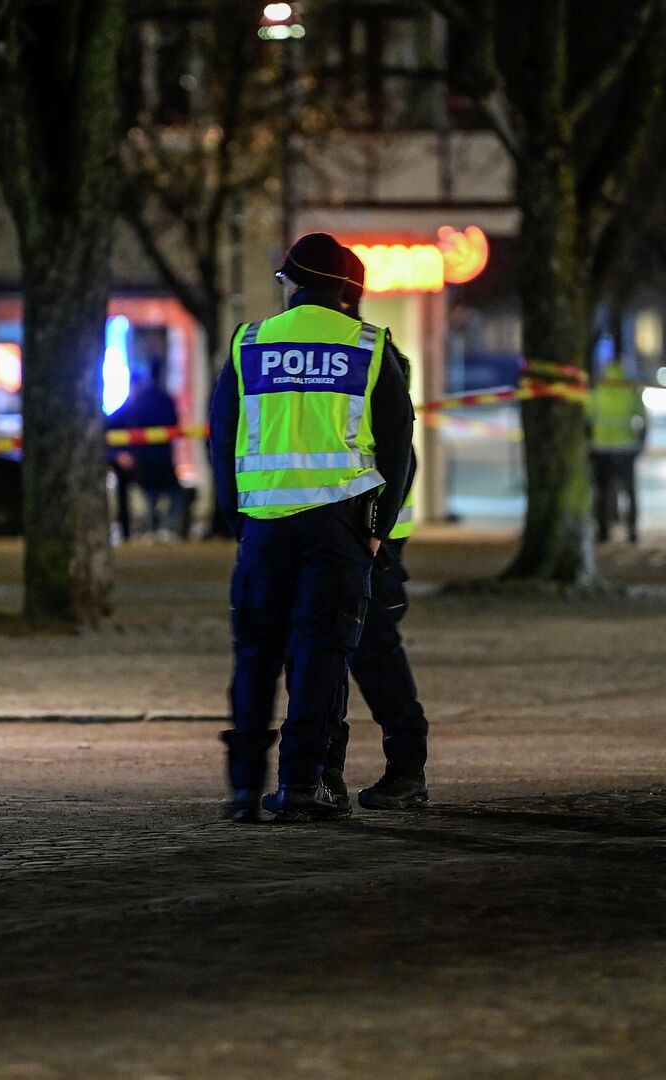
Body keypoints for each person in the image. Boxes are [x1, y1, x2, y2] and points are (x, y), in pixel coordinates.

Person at [209, 233, 414, 823]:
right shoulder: (370, 346)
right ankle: (303, 786)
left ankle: (245, 790)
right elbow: (397, 448)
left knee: (255, 656)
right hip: (338, 526)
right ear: (348, 293)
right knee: (321, 654)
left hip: (264, 527)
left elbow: (223, 438)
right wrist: (376, 528)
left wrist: (238, 520)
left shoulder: (250, 343)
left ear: (295, 285)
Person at [322, 250, 431, 811]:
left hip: (370, 537)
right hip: (370, 533)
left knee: (362, 653)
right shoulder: (377, 351)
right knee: (355, 654)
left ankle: (391, 770)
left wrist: (374, 533)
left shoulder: (371, 353)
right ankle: (354, 771)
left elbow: (393, 454)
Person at [107, 357, 186, 539]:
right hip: (162, 459)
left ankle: (150, 529)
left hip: (143, 461)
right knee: (171, 494)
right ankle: (164, 529)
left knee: (150, 498)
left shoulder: (137, 404)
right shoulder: (166, 400)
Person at [588, 359, 648, 544]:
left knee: (602, 492)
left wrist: (590, 444)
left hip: (601, 449)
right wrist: (639, 444)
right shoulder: (630, 391)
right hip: (626, 450)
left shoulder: (597, 391)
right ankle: (632, 531)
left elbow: (587, 419)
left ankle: (603, 532)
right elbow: (643, 420)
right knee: (629, 492)